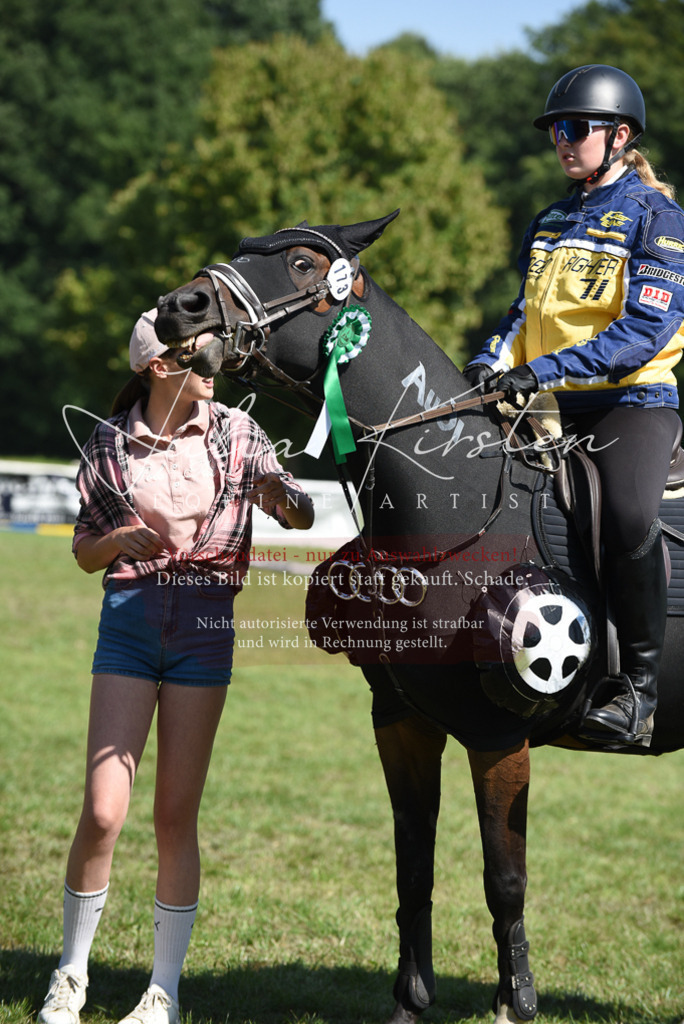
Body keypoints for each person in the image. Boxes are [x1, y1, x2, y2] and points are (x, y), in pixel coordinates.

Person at [37, 309, 314, 1024]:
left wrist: (286, 499)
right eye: (200, 354)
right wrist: (117, 540)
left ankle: (162, 992)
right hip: (128, 624)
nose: (215, 362)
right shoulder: (107, 444)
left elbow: (298, 514)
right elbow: (84, 551)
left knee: (173, 816)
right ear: (158, 367)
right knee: (103, 812)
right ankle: (71, 975)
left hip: (204, 626)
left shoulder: (239, 432)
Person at [463, 64, 684, 747]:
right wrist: (489, 363)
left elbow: (643, 332)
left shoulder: (659, 216)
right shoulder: (551, 218)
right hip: (551, 400)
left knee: (626, 511)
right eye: (556, 129)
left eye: (576, 128)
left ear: (619, 136)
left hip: (633, 401)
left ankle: (640, 692)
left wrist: (540, 372)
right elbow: (522, 313)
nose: (563, 140)